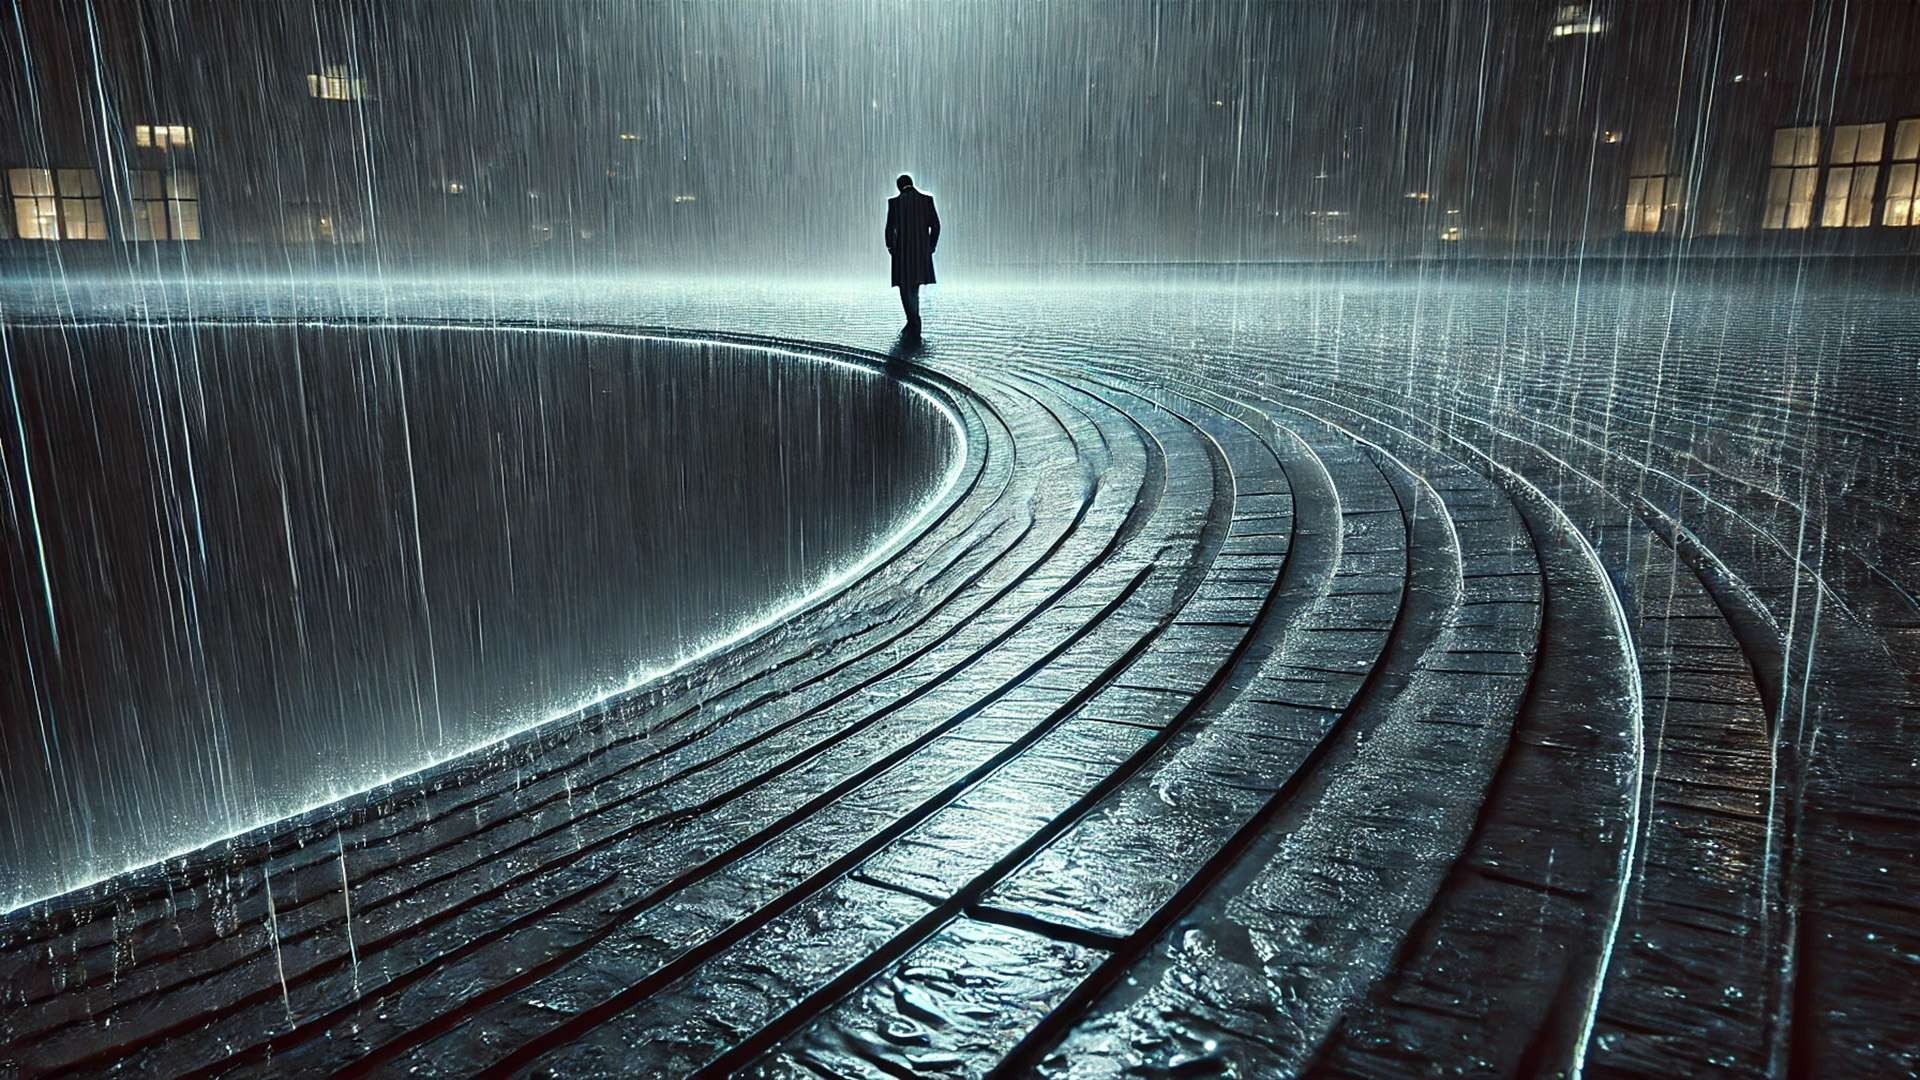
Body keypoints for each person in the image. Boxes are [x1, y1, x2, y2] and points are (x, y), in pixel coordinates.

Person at [885, 174, 939, 335]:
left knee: (904, 287)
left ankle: (913, 321)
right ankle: (914, 321)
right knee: (915, 286)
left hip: (901, 252)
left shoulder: (895, 203)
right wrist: (931, 246)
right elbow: (936, 226)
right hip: (921, 252)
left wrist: (890, 247)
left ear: (899, 186)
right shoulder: (926, 200)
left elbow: (889, 228)